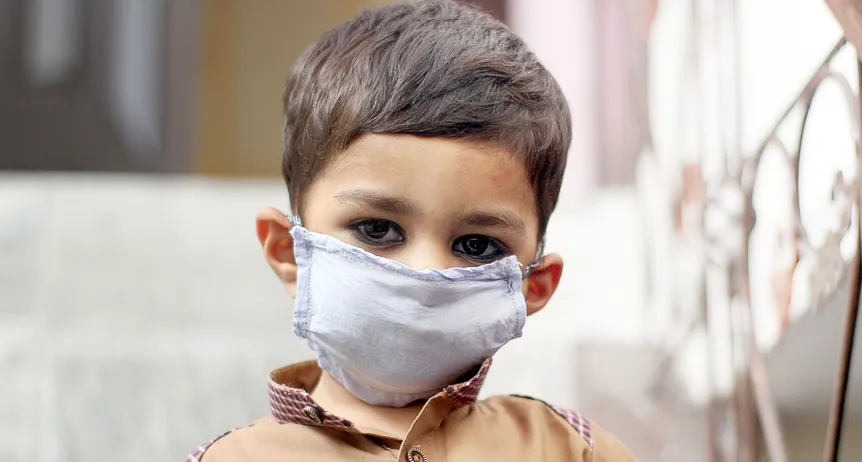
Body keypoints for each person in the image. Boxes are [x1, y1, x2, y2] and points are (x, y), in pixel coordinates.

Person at [187, 1, 637, 460]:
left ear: (532, 286)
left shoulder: (572, 449)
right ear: (289, 253)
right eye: (378, 229)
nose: (426, 272)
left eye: (476, 245)